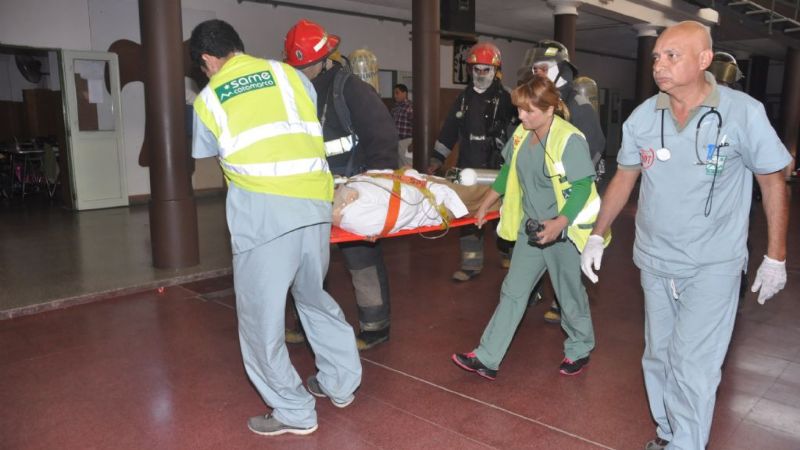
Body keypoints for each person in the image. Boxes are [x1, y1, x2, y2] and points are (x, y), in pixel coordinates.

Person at [580, 21, 790, 450]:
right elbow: (623, 177)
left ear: (704, 60)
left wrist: (776, 256)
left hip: (713, 264)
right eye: (657, 56)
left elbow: (773, 182)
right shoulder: (643, 116)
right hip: (655, 260)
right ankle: (668, 432)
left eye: (672, 55)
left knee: (694, 365)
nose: (660, 64)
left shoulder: (742, 113)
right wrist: (597, 234)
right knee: (658, 357)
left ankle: (685, 444)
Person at [189, 20, 362, 436]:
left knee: (260, 322)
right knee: (313, 298)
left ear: (208, 60)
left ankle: (293, 410)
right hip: (315, 206)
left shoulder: (209, 99)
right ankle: (341, 382)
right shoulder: (289, 75)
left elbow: (210, 155)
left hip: (265, 217)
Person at [451, 75, 607, 380]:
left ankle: (580, 347)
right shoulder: (523, 133)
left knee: (568, 293)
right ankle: (487, 357)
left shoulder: (569, 138)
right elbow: (508, 170)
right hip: (532, 228)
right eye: (519, 110)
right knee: (513, 290)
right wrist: (486, 203)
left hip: (562, 231)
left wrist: (560, 223)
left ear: (549, 110)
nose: (521, 116)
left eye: (528, 111)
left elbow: (582, 186)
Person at [284, 19, 398, 350]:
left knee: (361, 260)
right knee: (305, 264)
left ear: (324, 58)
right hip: (310, 192)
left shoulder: (350, 89)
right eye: (297, 66)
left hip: (353, 191)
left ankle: (375, 326)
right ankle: (305, 324)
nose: (302, 72)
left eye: (306, 66)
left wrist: (370, 191)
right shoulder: (294, 91)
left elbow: (383, 140)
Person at [429, 41, 518, 281]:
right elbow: (448, 130)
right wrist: (436, 159)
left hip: (498, 169)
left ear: (495, 70)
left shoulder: (509, 98)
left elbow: (521, 132)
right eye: (476, 69)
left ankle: (507, 252)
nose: (480, 74)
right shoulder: (463, 99)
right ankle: (471, 264)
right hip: (467, 169)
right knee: (468, 215)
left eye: (485, 69)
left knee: (503, 213)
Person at [392, 83, 414, 166]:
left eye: (397, 93)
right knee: (399, 167)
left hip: (407, 142)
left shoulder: (410, 107)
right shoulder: (395, 108)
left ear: (405, 93)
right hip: (396, 142)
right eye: (394, 93)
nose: (395, 96)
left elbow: (417, 127)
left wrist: (413, 143)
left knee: (407, 167)